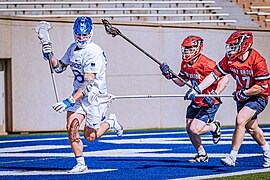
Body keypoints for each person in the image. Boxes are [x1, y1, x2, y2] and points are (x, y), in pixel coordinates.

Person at [41, 16, 123, 173]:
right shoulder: (72, 48)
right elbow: (59, 67)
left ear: (90, 33)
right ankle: (80, 163)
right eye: (78, 35)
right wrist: (49, 54)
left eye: (84, 35)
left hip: (94, 97)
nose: (81, 38)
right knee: (71, 126)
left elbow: (88, 84)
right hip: (78, 95)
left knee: (90, 137)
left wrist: (68, 101)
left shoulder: (94, 52)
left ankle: (110, 122)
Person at [189, 31, 270, 167]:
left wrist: (246, 92)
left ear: (245, 45)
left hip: (258, 96)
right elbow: (214, 75)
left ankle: (232, 156)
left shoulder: (258, 61)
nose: (231, 49)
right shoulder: (229, 59)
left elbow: (262, 86)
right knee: (252, 128)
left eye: (234, 46)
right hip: (242, 97)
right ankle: (267, 150)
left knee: (240, 120)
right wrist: (197, 89)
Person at [160, 35, 229, 163]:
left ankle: (214, 127)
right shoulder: (185, 64)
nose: (186, 52)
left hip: (209, 101)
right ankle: (201, 153)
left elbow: (225, 78)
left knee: (195, 129)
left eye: (190, 49)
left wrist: (215, 93)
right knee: (189, 128)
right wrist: (169, 75)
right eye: (185, 49)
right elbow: (181, 82)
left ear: (198, 49)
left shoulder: (207, 64)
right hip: (196, 100)